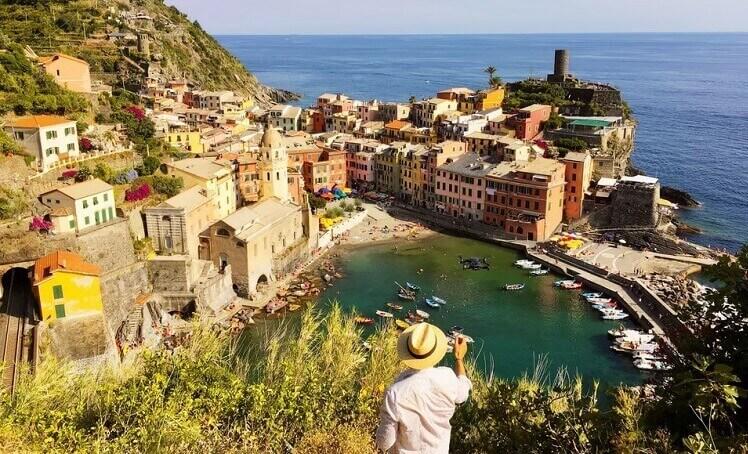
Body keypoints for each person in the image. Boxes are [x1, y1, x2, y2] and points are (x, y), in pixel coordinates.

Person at [375, 323, 471, 453]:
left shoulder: (395, 392)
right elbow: (463, 393)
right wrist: (459, 359)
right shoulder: (447, 377)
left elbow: (385, 442)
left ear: (407, 352)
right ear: (435, 350)